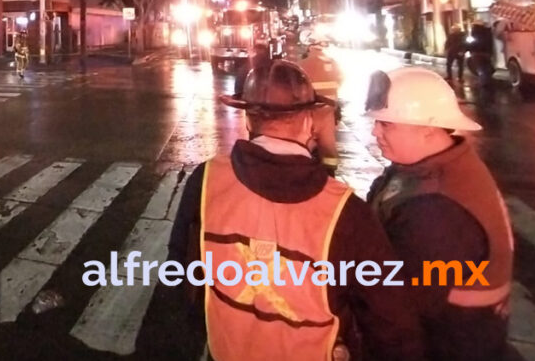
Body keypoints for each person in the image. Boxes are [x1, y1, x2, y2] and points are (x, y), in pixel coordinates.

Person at [169, 59, 425, 361]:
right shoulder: (345, 212)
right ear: (308, 122)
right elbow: (391, 323)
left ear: (250, 120)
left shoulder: (207, 179)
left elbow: (180, 271)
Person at [366, 67, 513, 361]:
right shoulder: (433, 166)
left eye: (386, 124)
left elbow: (397, 304)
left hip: (443, 346)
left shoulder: (436, 210)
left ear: (428, 130)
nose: (375, 132)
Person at [297, 43, 342, 168]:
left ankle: (309, 169)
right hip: (329, 109)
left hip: (308, 109)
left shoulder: (302, 64)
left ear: (310, 48)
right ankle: (330, 173)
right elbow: (340, 79)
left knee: (306, 140)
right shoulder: (332, 62)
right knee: (328, 144)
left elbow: (296, 85)